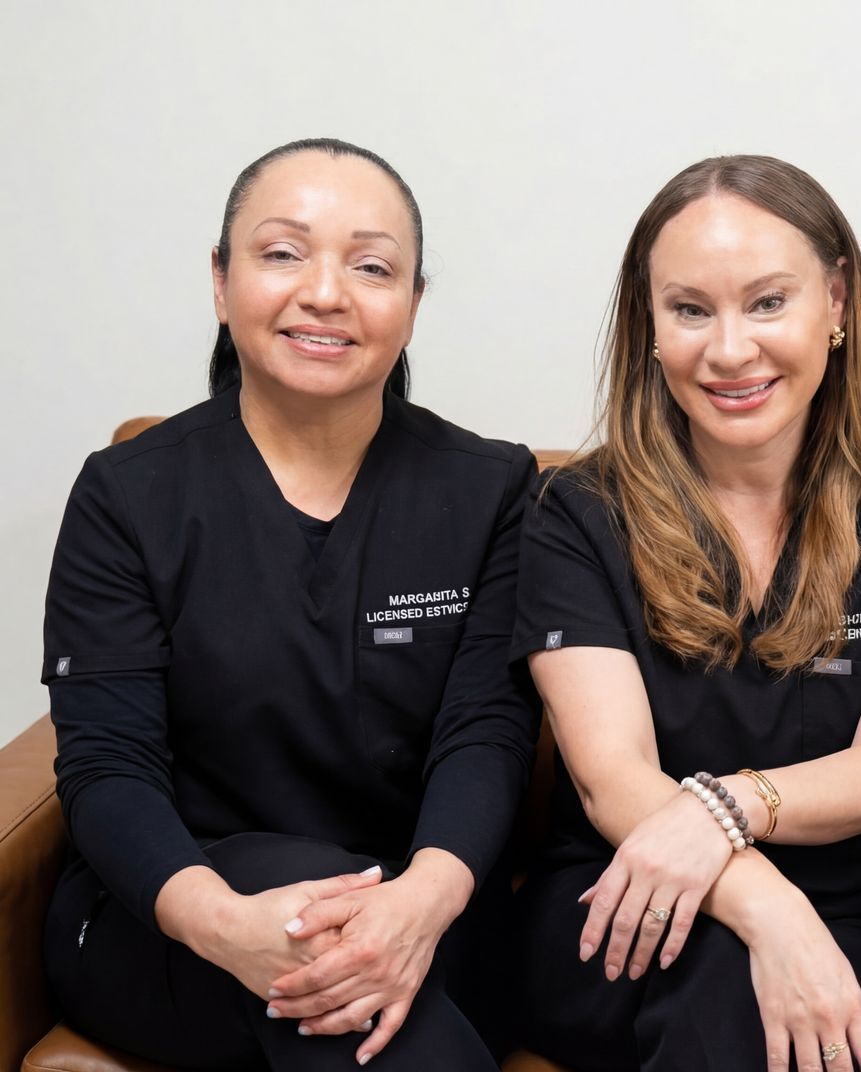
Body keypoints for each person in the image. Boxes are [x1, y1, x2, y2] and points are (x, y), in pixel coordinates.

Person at [41, 138, 539, 1069]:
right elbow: (107, 764)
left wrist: (415, 906)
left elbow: (487, 732)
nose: (325, 293)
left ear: (414, 306)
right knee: (324, 967)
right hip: (174, 919)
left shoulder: (490, 489)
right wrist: (226, 924)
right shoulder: (127, 493)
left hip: (419, 914)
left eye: (371, 265)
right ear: (221, 284)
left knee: (337, 962)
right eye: (282, 253)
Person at [510, 154, 861, 1072]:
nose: (728, 350)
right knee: (734, 982)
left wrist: (723, 810)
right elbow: (611, 781)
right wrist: (770, 909)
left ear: (837, 304)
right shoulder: (579, 512)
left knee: (748, 1006)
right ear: (649, 324)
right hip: (620, 906)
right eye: (690, 309)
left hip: (846, 915)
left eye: (768, 302)